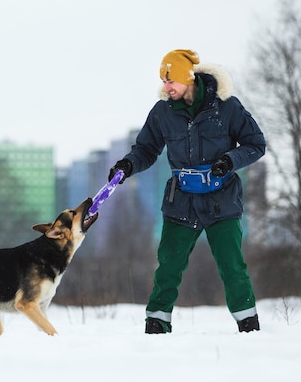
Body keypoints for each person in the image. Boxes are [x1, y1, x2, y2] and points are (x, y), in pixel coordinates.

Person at [109, 49, 266, 334]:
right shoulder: (163, 112)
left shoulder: (227, 107)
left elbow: (256, 144)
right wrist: (127, 166)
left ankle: (248, 325)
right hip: (181, 200)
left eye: (172, 82)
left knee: (232, 266)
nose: (166, 88)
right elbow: (146, 149)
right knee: (168, 266)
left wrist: (230, 161)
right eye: (163, 81)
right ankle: (157, 323)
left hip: (222, 200)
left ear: (188, 78)